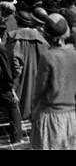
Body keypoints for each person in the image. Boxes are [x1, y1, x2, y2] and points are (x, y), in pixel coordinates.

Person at [31, 14, 76, 149]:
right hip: (71, 116)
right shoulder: (74, 54)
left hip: (49, 117)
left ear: (46, 34)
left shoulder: (48, 56)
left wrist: (33, 112)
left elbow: (40, 90)